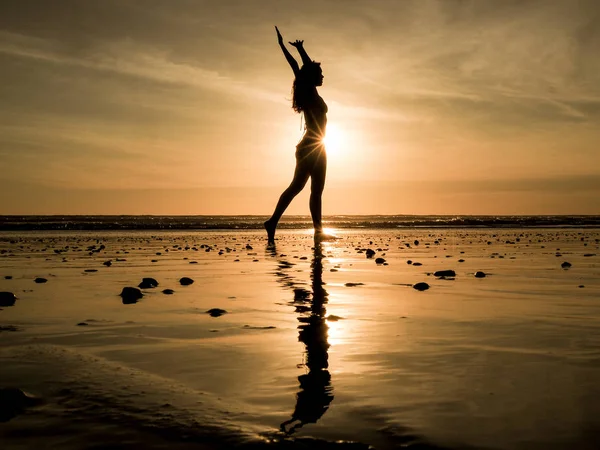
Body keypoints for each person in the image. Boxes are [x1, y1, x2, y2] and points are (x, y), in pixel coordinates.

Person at [264, 26, 335, 244]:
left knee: (310, 190)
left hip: (317, 147)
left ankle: (309, 229)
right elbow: (299, 67)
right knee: (302, 188)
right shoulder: (309, 91)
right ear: (312, 77)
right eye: (320, 74)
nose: (323, 76)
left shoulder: (312, 92)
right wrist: (287, 48)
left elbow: (304, 67)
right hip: (311, 148)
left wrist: (301, 49)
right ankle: (279, 223)